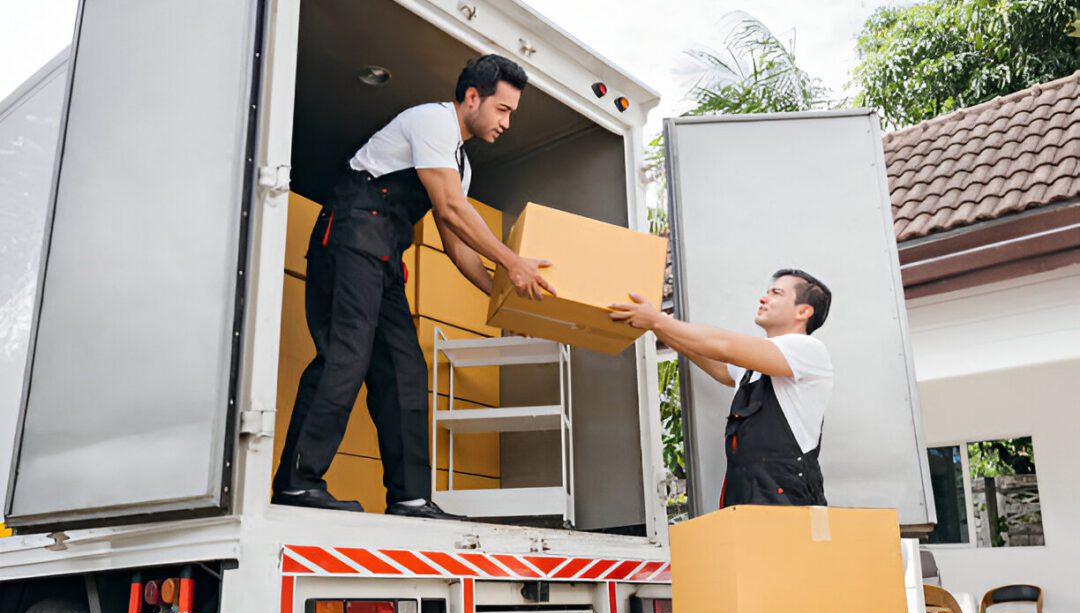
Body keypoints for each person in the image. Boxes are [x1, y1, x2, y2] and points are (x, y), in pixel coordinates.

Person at [273, 55, 555, 517]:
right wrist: (512, 262)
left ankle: (410, 497)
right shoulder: (431, 121)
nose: (507, 122)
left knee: (406, 373)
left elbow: (456, 244)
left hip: (383, 260)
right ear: (472, 98)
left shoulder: (459, 166)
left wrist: (501, 299)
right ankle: (297, 484)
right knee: (346, 357)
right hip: (348, 240)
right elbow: (448, 209)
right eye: (503, 109)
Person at [609, 269, 832, 507]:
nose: (763, 298)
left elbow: (723, 346)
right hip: (748, 495)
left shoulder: (808, 350)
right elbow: (718, 367)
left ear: (803, 311)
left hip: (788, 499)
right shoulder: (754, 367)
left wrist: (657, 320)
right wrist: (660, 327)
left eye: (776, 293)